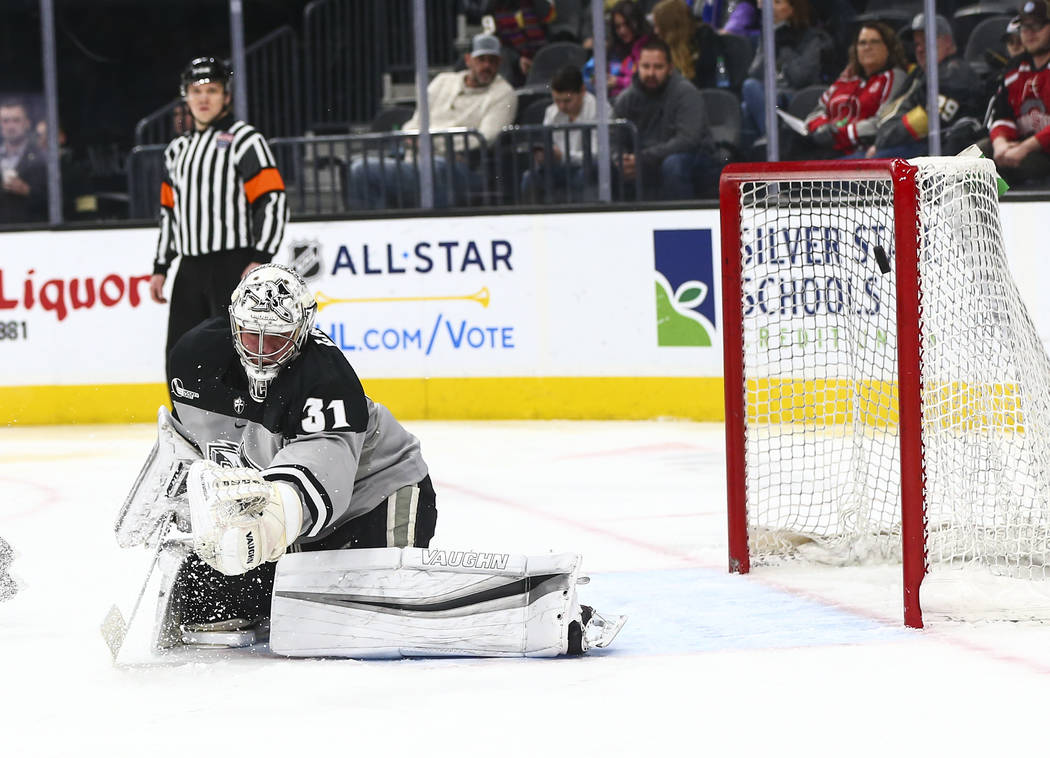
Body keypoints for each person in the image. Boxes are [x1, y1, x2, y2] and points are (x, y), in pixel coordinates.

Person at [121, 263, 621, 657]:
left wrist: (265, 530)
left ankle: (538, 609)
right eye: (250, 336)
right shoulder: (192, 357)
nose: (261, 351)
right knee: (205, 597)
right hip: (282, 510)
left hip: (379, 496)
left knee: (370, 607)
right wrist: (184, 518)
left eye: (275, 340)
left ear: (301, 333)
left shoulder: (328, 378)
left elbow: (319, 485)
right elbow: (188, 449)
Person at [149, 56, 288, 365]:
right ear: (185, 95)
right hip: (189, 269)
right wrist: (161, 267)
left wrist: (260, 258)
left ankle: (241, 414)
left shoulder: (245, 140)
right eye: (196, 91)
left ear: (226, 96)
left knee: (235, 350)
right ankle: (184, 415)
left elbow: (273, 199)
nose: (203, 98)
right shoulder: (177, 151)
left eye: (211, 90)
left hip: (234, 264)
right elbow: (170, 213)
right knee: (180, 353)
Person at [347, 33, 517, 210]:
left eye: (493, 61)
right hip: (416, 164)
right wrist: (430, 141)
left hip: (464, 170)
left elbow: (484, 138)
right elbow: (414, 124)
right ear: (468, 60)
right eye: (481, 59)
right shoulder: (442, 81)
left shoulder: (504, 93)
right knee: (361, 169)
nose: (487, 66)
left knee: (435, 167)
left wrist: (428, 143)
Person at [866, 14, 983, 159]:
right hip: (894, 146)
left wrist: (881, 142)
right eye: (917, 44)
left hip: (928, 154)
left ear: (947, 41)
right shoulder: (919, 73)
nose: (920, 49)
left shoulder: (955, 73)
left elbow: (926, 123)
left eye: (926, 42)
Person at [613, 37, 716, 199]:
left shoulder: (686, 93)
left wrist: (642, 158)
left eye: (658, 67)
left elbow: (687, 140)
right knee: (606, 167)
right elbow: (613, 138)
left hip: (691, 158)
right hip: (646, 159)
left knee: (673, 164)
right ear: (637, 67)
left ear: (670, 68)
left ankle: (682, 220)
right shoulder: (626, 99)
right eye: (646, 66)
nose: (651, 73)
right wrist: (620, 159)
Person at [800, 22, 907, 158]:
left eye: (874, 42)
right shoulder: (847, 78)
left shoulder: (894, 77)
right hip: (827, 147)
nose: (867, 47)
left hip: (861, 151)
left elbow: (883, 122)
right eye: (862, 43)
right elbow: (817, 112)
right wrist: (822, 127)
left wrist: (839, 133)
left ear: (889, 48)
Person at [739, 0, 831, 144]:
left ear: (792, 9)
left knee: (750, 102)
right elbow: (754, 73)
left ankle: (772, 141)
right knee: (749, 91)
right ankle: (758, 149)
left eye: (778, 2)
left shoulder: (812, 38)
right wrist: (769, 46)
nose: (771, 7)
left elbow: (800, 77)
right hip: (772, 98)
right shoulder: (769, 36)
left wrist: (785, 49)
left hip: (795, 95)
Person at [979, 0, 1050, 186]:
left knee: (1025, 165)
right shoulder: (1015, 68)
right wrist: (1001, 144)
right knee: (978, 157)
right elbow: (1003, 116)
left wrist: (1026, 147)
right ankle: (990, 209)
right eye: (1024, 27)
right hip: (1020, 147)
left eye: (1037, 26)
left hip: (1040, 152)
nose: (1029, 33)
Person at [521, 64, 599, 202]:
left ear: (582, 90)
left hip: (587, 169)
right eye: (557, 100)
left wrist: (563, 156)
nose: (562, 106)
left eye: (567, 101)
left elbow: (597, 155)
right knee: (530, 177)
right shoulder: (551, 112)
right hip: (558, 169)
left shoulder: (600, 110)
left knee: (585, 175)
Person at [651, 0, 733, 91]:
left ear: (671, 25)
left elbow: (715, 79)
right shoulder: (664, 46)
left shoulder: (704, 40)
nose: (656, 31)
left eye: (659, 26)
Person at [589, 0, 652, 98]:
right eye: (618, 26)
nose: (622, 31)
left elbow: (647, 81)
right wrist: (597, 79)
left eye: (627, 24)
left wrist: (618, 82)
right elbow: (593, 73)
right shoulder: (613, 48)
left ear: (637, 22)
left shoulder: (650, 47)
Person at [0, 98, 47, 225]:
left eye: (16, 120)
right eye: (5, 121)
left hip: (31, 231)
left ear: (27, 123)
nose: (10, 126)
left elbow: (57, 201)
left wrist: (27, 191)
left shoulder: (42, 158)